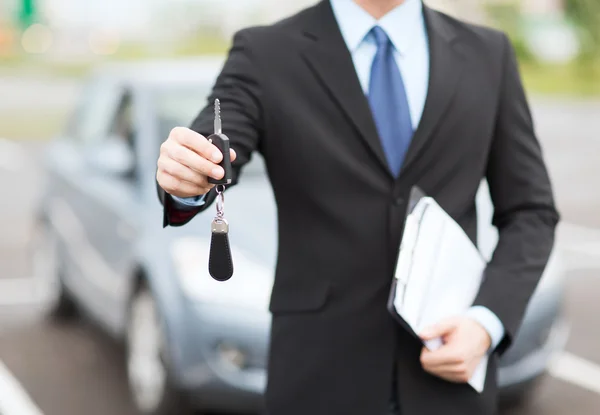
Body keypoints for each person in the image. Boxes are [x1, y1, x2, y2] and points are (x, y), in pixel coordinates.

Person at [156, 0, 559, 414]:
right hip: (318, 375)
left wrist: (486, 321)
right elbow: (214, 143)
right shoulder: (266, 51)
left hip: (451, 369)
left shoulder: (488, 53)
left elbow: (531, 211)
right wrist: (190, 173)